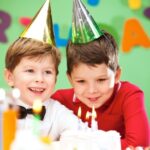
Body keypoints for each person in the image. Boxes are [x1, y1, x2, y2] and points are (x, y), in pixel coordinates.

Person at [51, 0, 150, 149]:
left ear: (116, 76)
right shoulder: (60, 100)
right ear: (70, 79)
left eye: (101, 80)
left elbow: (139, 145)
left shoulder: (129, 95)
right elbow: (43, 141)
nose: (92, 90)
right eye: (81, 81)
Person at [4, 0, 85, 141]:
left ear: (56, 78)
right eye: (30, 70)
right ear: (10, 77)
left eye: (47, 72)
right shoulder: (2, 107)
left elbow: (84, 136)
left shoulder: (58, 113)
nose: (40, 79)